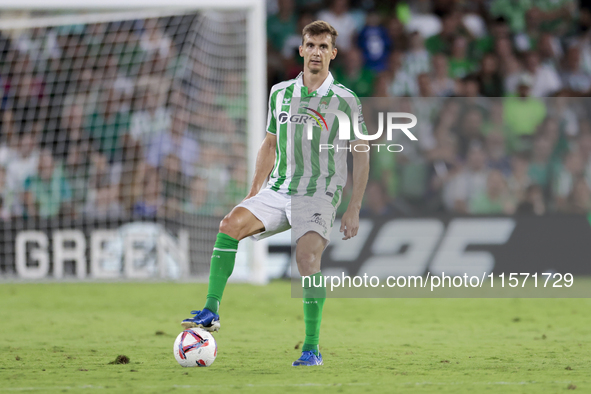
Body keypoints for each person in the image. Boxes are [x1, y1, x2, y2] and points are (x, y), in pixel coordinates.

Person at [180, 20, 370, 367]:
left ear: (333, 53)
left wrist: (354, 206)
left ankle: (312, 348)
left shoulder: (345, 101)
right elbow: (269, 144)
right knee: (229, 225)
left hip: (319, 193)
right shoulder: (280, 93)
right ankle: (211, 309)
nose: (316, 52)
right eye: (310, 45)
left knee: (306, 258)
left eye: (323, 47)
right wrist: (253, 192)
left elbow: (361, 152)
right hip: (278, 188)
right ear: (300, 50)